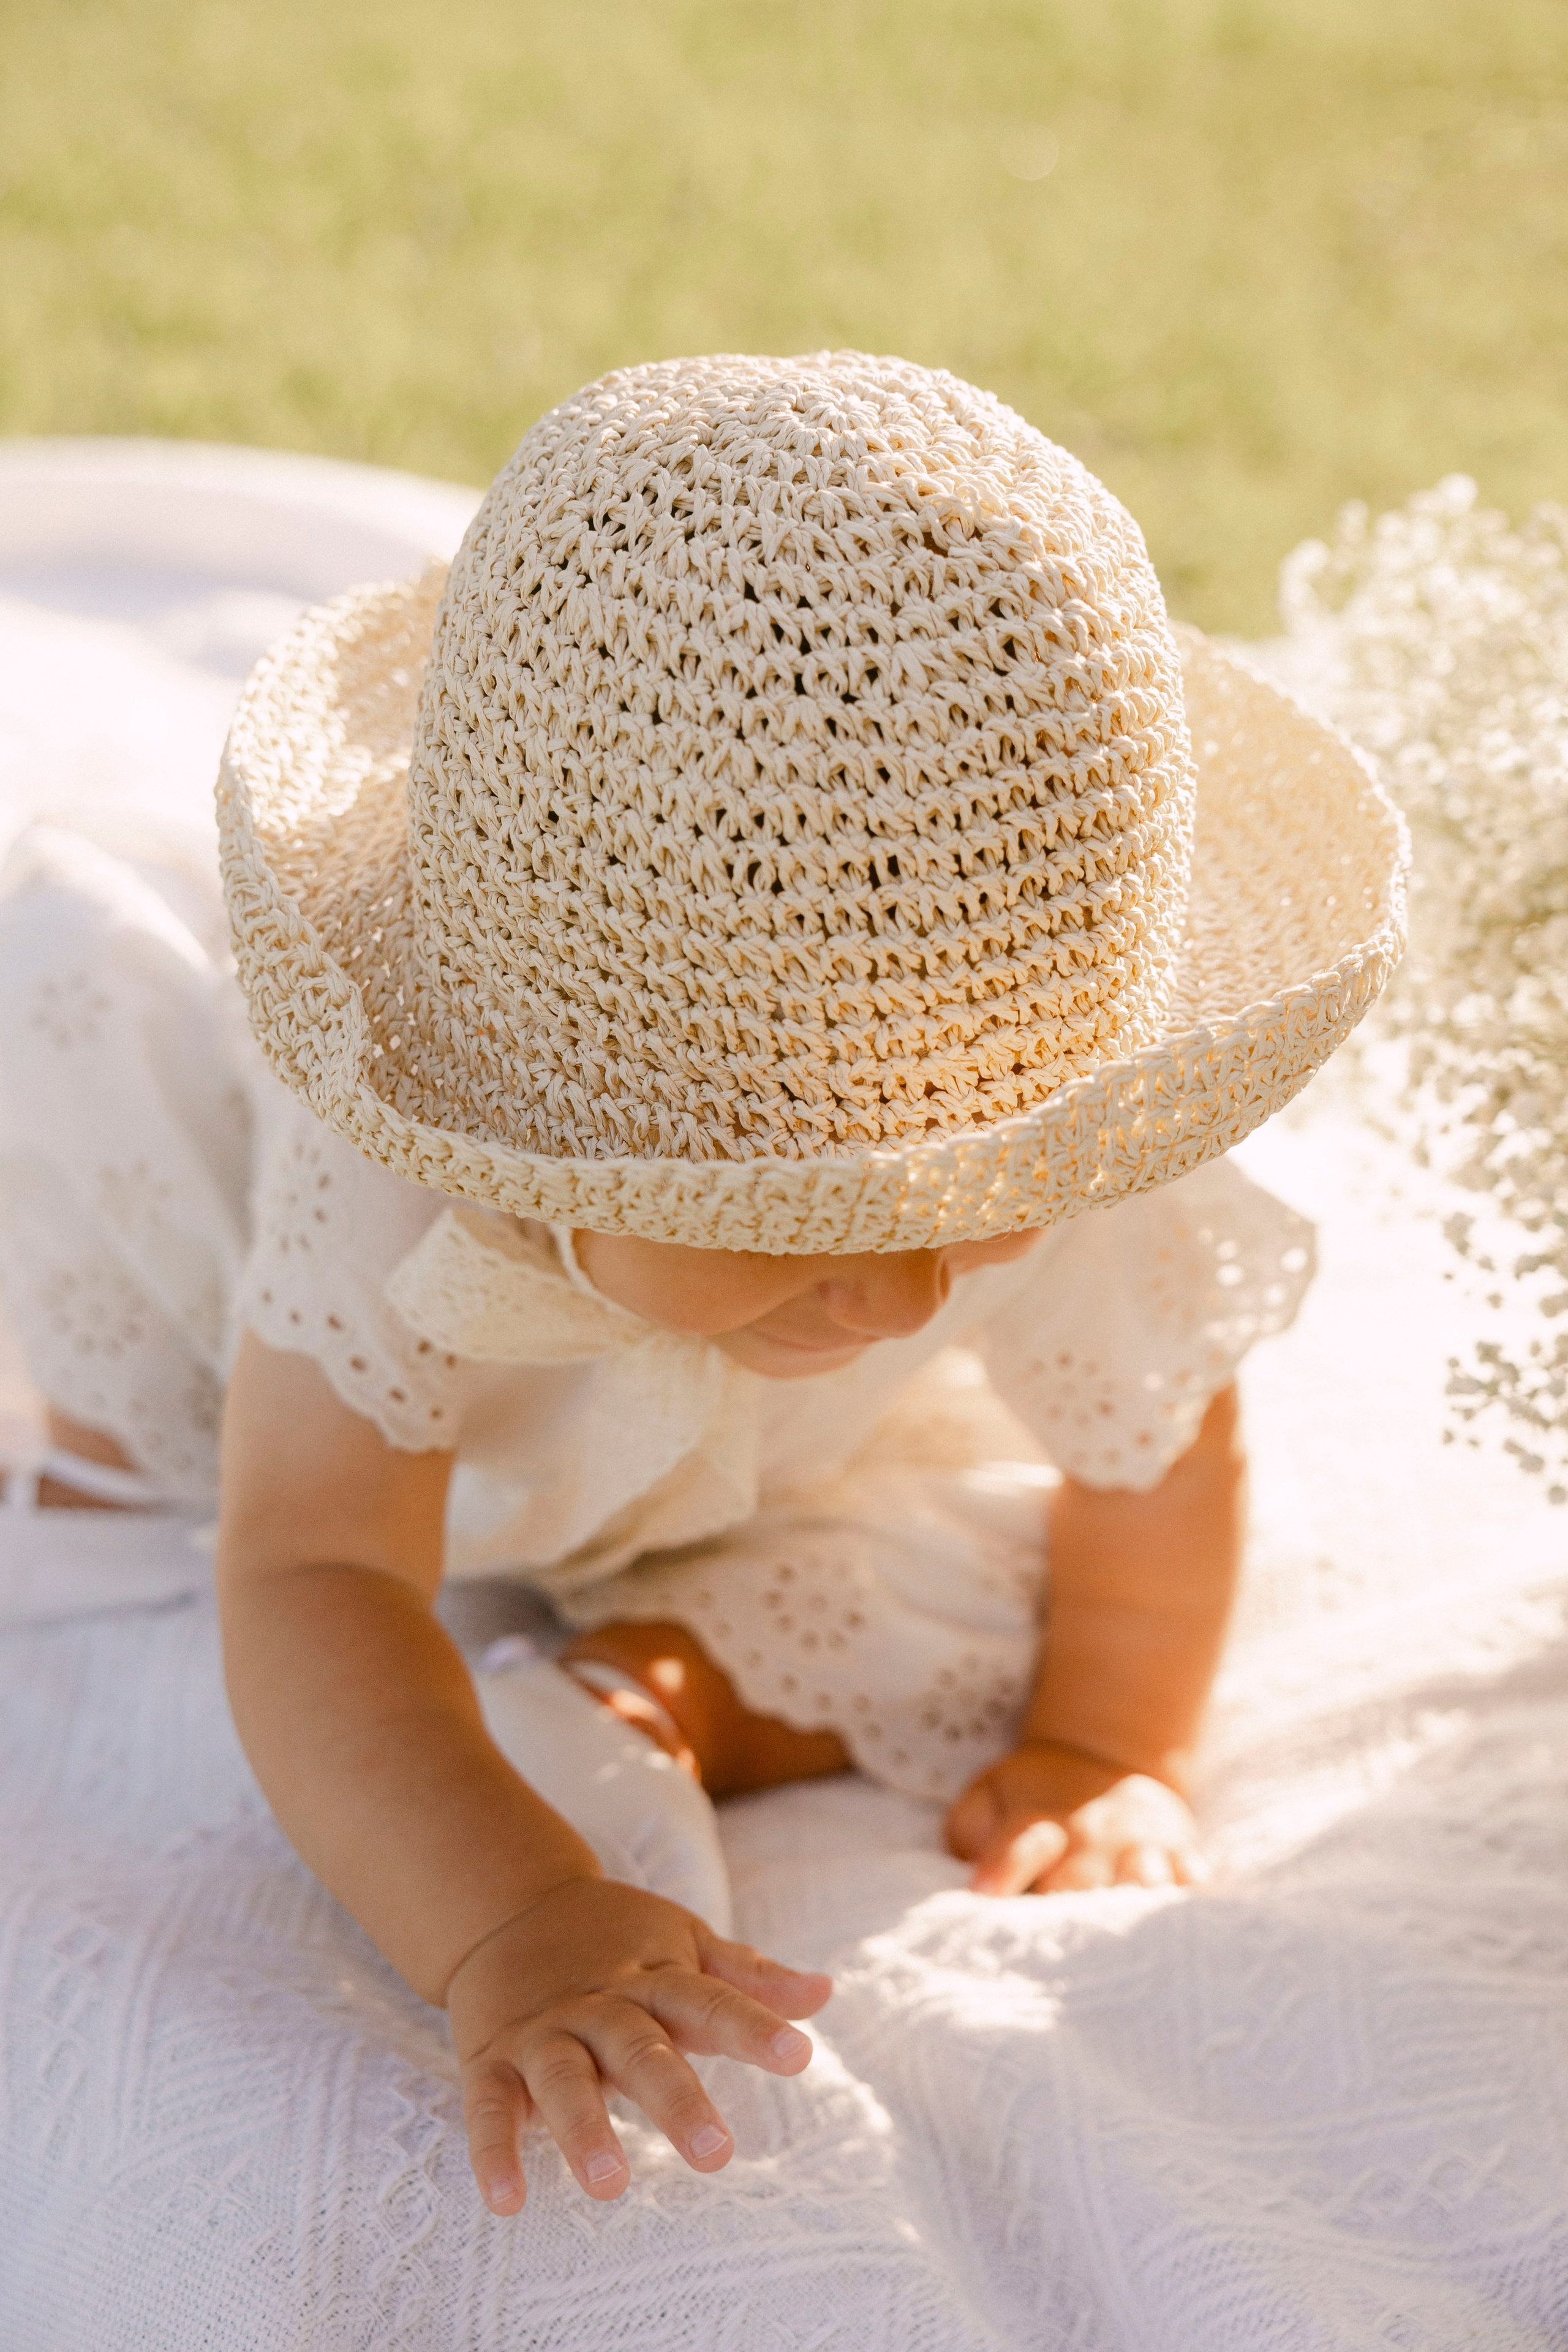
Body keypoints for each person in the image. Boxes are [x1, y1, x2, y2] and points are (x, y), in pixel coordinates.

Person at [0, 353, 1405, 2215]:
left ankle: (667, 1678)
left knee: (989, 1590)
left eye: (965, 1202)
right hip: (306, 1369)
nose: (903, 1298)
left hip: (760, 1451)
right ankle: (122, 1447)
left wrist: (1105, 1739)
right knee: (123, 1334)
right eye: (795, 1213)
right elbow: (312, 1565)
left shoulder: (1049, 1086)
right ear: (546, 1127)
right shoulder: (401, 1140)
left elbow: (1162, 1450)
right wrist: (510, 1913)